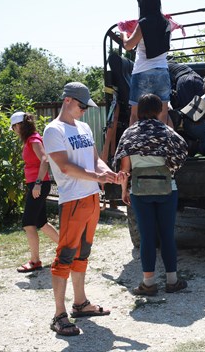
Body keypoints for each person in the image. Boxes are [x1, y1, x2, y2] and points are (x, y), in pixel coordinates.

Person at [43, 82, 123, 336]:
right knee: (65, 255)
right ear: (67, 101)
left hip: (91, 198)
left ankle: (80, 303)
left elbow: (95, 158)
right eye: (81, 106)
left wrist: (108, 173)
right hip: (73, 200)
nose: (85, 111)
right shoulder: (53, 130)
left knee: (83, 253)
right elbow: (65, 167)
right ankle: (58, 314)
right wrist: (97, 176)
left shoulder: (84, 127)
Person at [114, 93, 189, 296]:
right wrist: (169, 168)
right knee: (167, 235)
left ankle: (149, 283)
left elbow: (124, 166)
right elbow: (182, 153)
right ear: (159, 111)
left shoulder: (129, 134)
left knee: (147, 237)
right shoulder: (167, 132)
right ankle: (172, 281)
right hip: (167, 189)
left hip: (139, 190)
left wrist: (124, 190)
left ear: (138, 111)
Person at [10, 111, 59, 273]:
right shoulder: (31, 139)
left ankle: (35, 261)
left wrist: (37, 184)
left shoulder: (33, 139)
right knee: (41, 223)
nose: (14, 130)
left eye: (14, 127)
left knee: (28, 223)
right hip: (36, 184)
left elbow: (44, 160)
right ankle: (68, 251)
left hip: (38, 184)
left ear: (19, 125)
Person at [121, 0, 173, 126]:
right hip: (162, 71)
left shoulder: (143, 23)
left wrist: (123, 34)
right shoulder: (167, 23)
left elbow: (128, 45)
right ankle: (161, 144)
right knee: (163, 113)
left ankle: (135, 143)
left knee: (135, 113)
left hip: (142, 71)